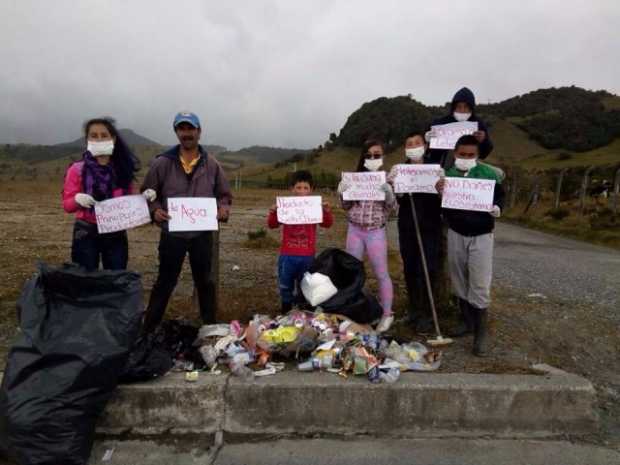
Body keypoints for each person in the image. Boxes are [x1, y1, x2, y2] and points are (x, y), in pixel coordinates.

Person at [140, 112, 232, 332]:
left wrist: (223, 209)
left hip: (202, 235)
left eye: (191, 129)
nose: (187, 133)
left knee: (205, 283)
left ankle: (210, 330)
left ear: (199, 132)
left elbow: (224, 194)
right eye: (182, 129)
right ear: (176, 132)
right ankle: (148, 331)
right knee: (165, 282)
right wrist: (155, 211)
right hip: (173, 234)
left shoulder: (211, 164)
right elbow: (147, 193)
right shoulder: (162, 163)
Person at [435, 135, 504, 356]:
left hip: (482, 234)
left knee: (480, 281)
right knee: (458, 278)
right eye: (462, 155)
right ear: (455, 154)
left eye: (470, 155)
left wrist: (497, 207)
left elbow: (501, 196)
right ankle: (466, 321)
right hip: (456, 232)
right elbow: (443, 204)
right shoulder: (449, 175)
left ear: (477, 155)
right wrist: (440, 192)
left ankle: (481, 332)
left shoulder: (488, 174)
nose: (465, 158)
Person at [62, 117, 148, 271]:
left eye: (104, 135)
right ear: (87, 140)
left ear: (113, 139)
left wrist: (143, 200)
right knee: (85, 278)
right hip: (86, 232)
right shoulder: (76, 170)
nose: (99, 139)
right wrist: (77, 199)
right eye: (94, 136)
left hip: (115, 232)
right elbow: (67, 205)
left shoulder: (123, 170)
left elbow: (128, 202)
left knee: (116, 276)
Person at [338, 139, 396, 332]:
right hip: (354, 230)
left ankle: (387, 314)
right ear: (363, 157)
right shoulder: (355, 179)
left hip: (375, 232)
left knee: (381, 273)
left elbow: (394, 209)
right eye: (369, 155)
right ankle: (354, 310)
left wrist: (389, 195)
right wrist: (343, 193)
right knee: (353, 272)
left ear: (383, 157)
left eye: (376, 155)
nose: (372, 158)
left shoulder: (388, 180)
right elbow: (346, 206)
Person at [388, 132, 442, 333]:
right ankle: (413, 310)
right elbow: (397, 202)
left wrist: (440, 188)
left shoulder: (435, 169)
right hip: (407, 226)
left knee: (427, 269)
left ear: (425, 146)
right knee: (410, 269)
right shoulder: (399, 170)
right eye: (409, 144)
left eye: (417, 143)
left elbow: (443, 198)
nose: (413, 146)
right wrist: (395, 188)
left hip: (430, 227)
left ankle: (427, 314)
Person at [268, 170, 334, 312]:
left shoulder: (315, 207)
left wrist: (327, 212)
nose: (301, 191)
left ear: (311, 190)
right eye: (298, 188)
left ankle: (303, 312)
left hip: (307, 256)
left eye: (305, 188)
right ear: (291, 189)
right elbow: (272, 225)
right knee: (285, 285)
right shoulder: (285, 206)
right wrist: (273, 212)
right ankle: (285, 310)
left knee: (305, 286)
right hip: (287, 255)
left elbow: (327, 224)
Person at [425, 87, 493, 166]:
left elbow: (485, 153)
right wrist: (427, 139)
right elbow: (428, 151)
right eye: (459, 107)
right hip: (442, 167)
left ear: (471, 108)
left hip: (469, 168)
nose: (462, 110)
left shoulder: (478, 124)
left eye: (466, 107)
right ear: (453, 107)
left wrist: (484, 141)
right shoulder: (440, 123)